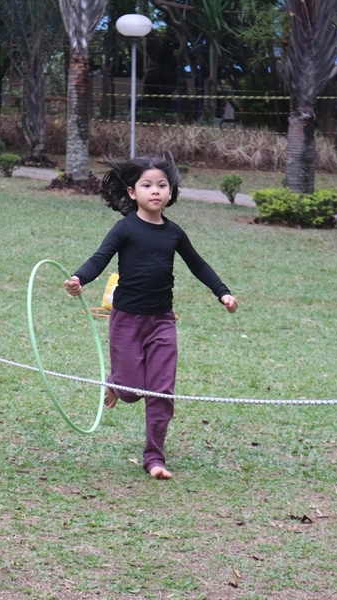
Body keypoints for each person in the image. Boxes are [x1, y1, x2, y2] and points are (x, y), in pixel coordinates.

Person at [63, 156, 239, 480]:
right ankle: (117, 383)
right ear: (132, 192)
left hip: (162, 321)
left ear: (171, 193)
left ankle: (154, 457)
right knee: (131, 392)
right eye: (147, 185)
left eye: (162, 185)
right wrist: (78, 279)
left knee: (161, 391)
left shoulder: (174, 233)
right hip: (127, 321)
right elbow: (100, 258)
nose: (155, 191)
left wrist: (223, 293)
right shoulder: (125, 228)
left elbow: (198, 265)